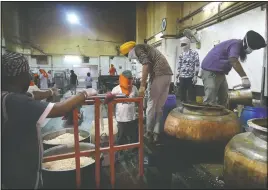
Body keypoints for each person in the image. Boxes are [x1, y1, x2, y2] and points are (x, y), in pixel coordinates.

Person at [1, 51, 97, 189]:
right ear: (19, 76)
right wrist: (86, 93)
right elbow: (61, 108)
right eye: (26, 72)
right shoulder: (14, 101)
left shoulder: (6, 96)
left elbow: (33, 94)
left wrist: (51, 91)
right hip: (19, 169)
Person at [120, 41, 173, 143]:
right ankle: (156, 133)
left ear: (129, 52)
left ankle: (148, 133)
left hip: (159, 74)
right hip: (168, 76)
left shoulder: (137, 49)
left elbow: (146, 64)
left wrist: (142, 85)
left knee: (151, 105)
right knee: (159, 107)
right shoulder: (146, 48)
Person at [201, 30, 266, 107]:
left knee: (223, 98)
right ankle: (207, 117)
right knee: (210, 98)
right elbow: (233, 60)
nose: (251, 51)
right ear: (246, 45)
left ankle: (221, 118)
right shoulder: (236, 44)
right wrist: (244, 77)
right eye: (252, 49)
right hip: (210, 70)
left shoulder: (237, 46)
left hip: (220, 72)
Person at [111, 70, 139, 154]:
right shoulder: (116, 89)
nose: (130, 80)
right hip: (121, 117)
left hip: (132, 117)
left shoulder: (134, 88)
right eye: (128, 78)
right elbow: (112, 103)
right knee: (121, 136)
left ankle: (134, 150)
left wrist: (138, 110)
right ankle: (120, 151)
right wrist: (112, 115)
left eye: (131, 78)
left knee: (133, 135)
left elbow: (138, 100)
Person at [176, 38, 200, 103]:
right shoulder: (181, 54)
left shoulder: (194, 53)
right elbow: (179, 65)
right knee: (182, 96)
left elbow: (197, 65)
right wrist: (177, 75)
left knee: (191, 96)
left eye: (184, 44)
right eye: (181, 44)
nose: (182, 46)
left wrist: (195, 76)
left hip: (190, 77)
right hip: (182, 77)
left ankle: (192, 109)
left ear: (188, 44)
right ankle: (182, 108)